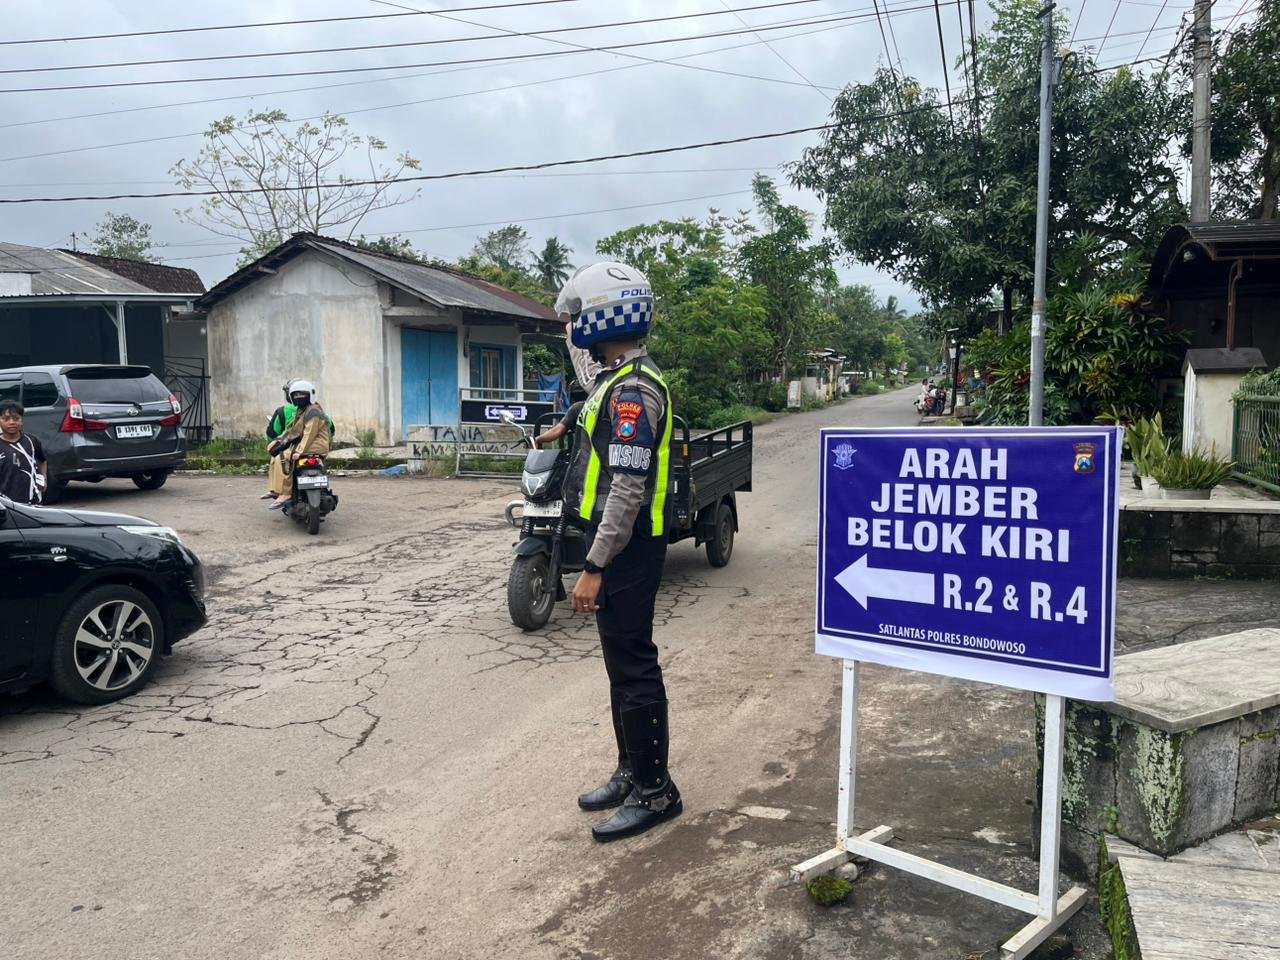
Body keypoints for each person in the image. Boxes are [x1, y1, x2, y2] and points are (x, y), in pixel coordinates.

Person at [556, 261, 681, 843]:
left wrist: (594, 566)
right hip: (617, 545)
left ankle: (657, 792)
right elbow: (590, 396)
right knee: (619, 666)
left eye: (580, 316)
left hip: (625, 548)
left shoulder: (633, 391)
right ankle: (632, 771)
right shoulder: (617, 378)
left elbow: (628, 489)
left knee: (633, 666)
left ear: (605, 317)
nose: (574, 325)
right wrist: (565, 423)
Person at [264, 380, 334, 500]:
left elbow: (309, 434)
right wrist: (280, 441)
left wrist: (299, 451)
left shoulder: (312, 411)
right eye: (296, 395)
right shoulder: (302, 410)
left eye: (302, 394)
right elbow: (294, 430)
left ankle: (285, 493)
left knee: (281, 457)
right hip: (309, 444)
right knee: (275, 454)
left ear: (310, 394)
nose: (298, 397)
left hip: (313, 445)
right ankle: (275, 490)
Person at [0, 400, 47, 505]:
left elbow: (42, 460)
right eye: (6, 419)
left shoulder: (32, 441)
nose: (11, 422)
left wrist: (43, 478)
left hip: (31, 502)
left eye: (16, 418)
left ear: (22, 420)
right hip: (4, 503)